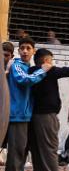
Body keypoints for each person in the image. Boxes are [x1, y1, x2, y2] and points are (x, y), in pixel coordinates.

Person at [29, 48, 69, 171]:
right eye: (51, 61)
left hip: (34, 116)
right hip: (47, 117)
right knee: (50, 150)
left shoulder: (31, 72)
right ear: (47, 61)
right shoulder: (49, 71)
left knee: (38, 150)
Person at [6, 37, 51, 171]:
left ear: (33, 51)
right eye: (22, 48)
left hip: (25, 116)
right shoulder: (17, 66)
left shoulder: (28, 67)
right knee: (16, 153)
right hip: (17, 116)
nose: (25, 51)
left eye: (28, 48)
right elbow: (25, 80)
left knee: (21, 151)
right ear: (18, 51)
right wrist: (42, 70)